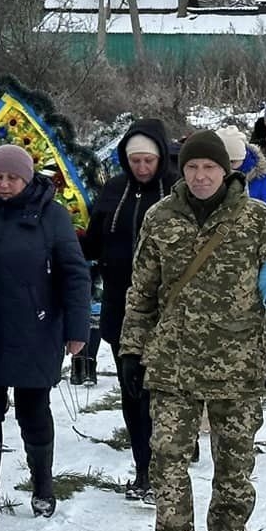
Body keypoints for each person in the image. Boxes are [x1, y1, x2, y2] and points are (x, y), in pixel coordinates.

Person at [121, 131, 266, 531]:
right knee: (166, 460)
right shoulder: (160, 219)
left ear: (227, 171)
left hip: (237, 365)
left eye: (209, 168)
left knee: (233, 468)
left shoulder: (258, 221)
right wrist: (131, 350)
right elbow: (141, 292)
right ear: (180, 171)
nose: (200, 177)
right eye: (192, 168)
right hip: (173, 365)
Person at [0, 144, 91, 529]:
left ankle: (43, 486)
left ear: (27, 179)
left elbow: (74, 272)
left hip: (35, 326)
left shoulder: (51, 216)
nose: (3, 184)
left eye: (12, 177)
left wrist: (76, 329)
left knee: (33, 410)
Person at [81, 120, 178, 499]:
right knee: (132, 388)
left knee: (163, 392)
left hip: (167, 310)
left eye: (148, 160)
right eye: (135, 160)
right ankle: (144, 469)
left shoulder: (175, 191)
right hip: (120, 306)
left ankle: (166, 463)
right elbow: (93, 240)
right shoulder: (114, 190)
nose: (141, 167)